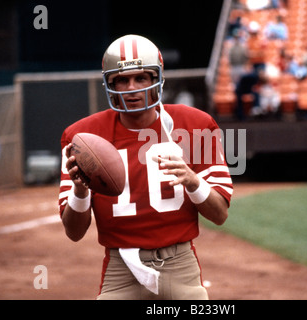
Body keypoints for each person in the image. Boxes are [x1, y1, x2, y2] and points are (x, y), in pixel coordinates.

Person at [58, 35, 233, 300]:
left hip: (180, 264)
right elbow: (74, 232)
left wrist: (192, 180)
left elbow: (219, 215)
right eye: (122, 79)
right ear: (109, 83)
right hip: (121, 267)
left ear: (156, 80)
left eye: (141, 78)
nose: (131, 88)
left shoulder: (195, 125)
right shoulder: (82, 137)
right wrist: (80, 191)